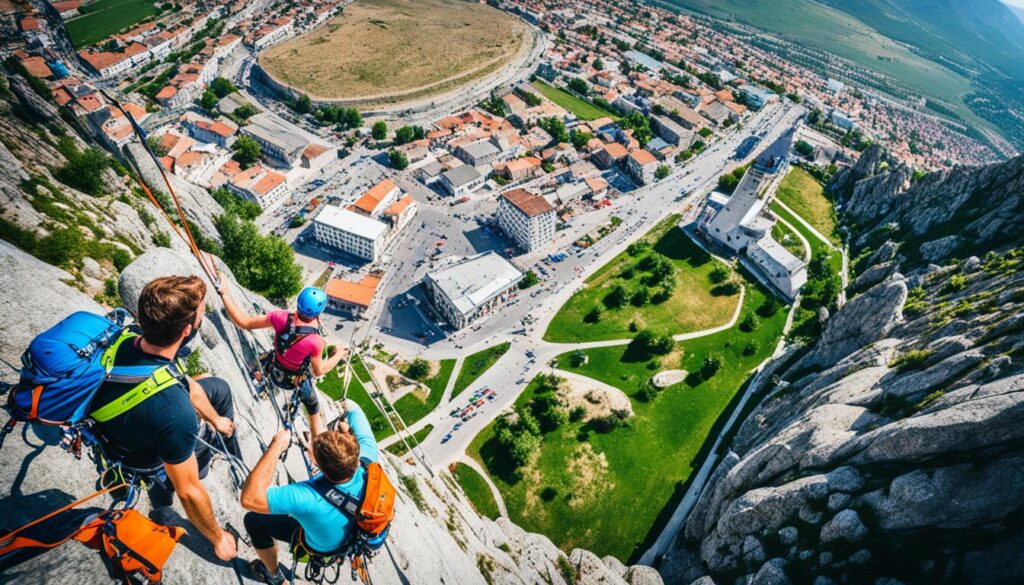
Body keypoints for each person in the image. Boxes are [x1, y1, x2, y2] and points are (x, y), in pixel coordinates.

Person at [89, 275, 238, 561]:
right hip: (144, 456)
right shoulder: (175, 414)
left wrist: (217, 420)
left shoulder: (126, 339)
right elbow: (189, 491)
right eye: (201, 315)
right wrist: (218, 538)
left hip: (117, 425)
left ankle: (218, 429)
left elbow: (178, 380)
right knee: (193, 458)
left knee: (214, 386)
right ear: (186, 330)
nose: (201, 318)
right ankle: (191, 471)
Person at [240, 401, 378, 584]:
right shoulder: (367, 459)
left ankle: (274, 576)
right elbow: (355, 407)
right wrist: (344, 410)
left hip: (320, 547)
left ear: (318, 465)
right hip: (351, 535)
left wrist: (276, 446)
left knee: (253, 521)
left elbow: (249, 499)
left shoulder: (307, 497)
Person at [216, 280, 347, 437]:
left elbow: (245, 322)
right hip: (294, 381)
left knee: (271, 356)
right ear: (319, 313)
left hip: (273, 368)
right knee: (313, 407)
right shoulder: (316, 341)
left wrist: (224, 293)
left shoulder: (280, 317)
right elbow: (319, 371)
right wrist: (339, 354)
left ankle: (258, 375)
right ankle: (317, 444)